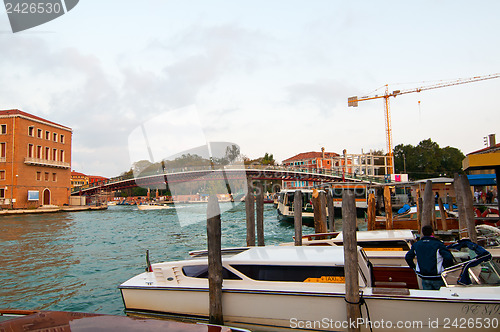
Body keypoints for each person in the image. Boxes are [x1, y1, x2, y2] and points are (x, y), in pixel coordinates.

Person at [405, 225, 454, 290]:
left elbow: (408, 257)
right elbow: (448, 257)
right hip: (437, 276)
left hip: (424, 276)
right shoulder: (438, 244)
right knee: (439, 296)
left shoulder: (417, 245)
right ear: (432, 233)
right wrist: (446, 268)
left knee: (428, 296)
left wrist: (414, 267)